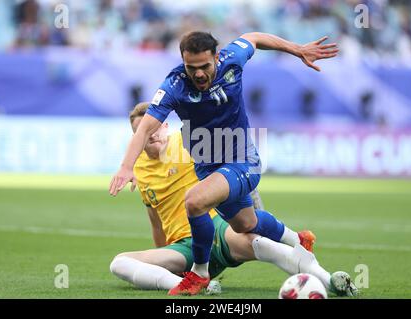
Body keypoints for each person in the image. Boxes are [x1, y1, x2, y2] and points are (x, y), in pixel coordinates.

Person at [109, 31, 342, 296]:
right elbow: (143, 129)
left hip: (243, 159)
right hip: (209, 167)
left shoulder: (232, 58)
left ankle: (199, 273)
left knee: (194, 200)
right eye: (191, 67)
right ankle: (297, 240)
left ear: (217, 58)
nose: (198, 74)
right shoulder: (175, 84)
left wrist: (296, 48)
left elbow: (253, 37)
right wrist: (127, 166)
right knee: (245, 223)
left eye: (204, 66)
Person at [109, 102, 358, 297]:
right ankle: (192, 283)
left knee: (264, 246)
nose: (150, 136)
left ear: (165, 126)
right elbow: (155, 221)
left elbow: (236, 171)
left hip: (218, 229)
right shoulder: (138, 169)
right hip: (184, 249)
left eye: (154, 129)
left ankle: (330, 282)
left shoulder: (190, 142)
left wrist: (255, 213)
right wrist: (162, 257)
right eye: (142, 134)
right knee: (118, 263)